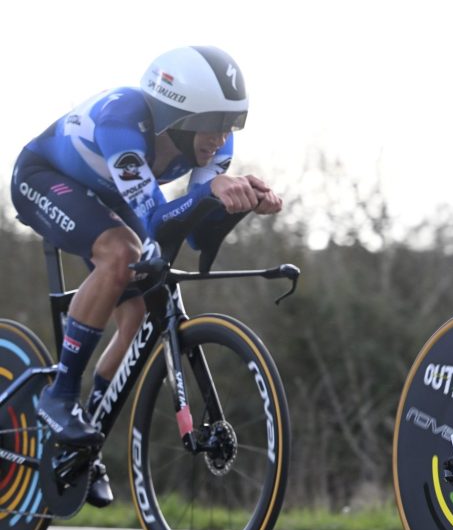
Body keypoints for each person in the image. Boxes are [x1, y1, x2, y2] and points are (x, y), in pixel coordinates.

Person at [10, 46, 283, 506]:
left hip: (107, 194)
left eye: (230, 123)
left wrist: (238, 203)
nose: (221, 138)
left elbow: (192, 236)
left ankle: (85, 438)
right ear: (176, 114)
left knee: (138, 309)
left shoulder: (213, 144)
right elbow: (157, 219)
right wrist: (212, 191)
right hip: (43, 176)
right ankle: (60, 396)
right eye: (213, 122)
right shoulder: (123, 118)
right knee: (121, 255)